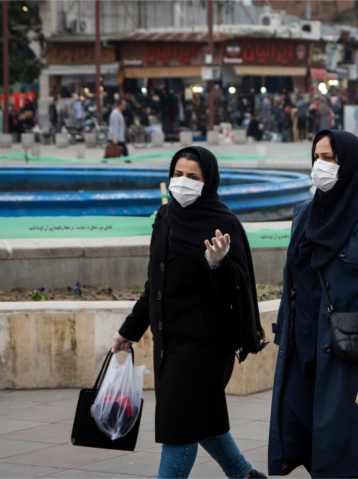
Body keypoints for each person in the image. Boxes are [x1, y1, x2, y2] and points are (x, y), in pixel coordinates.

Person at [111, 146, 268, 479]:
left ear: (208, 181)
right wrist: (129, 331)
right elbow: (155, 285)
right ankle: (244, 475)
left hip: (205, 346)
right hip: (170, 342)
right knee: (203, 420)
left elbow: (236, 291)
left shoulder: (223, 224)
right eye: (178, 174)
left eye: (193, 177)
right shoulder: (165, 217)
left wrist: (218, 264)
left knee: (179, 431)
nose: (182, 182)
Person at [267, 129, 358, 478]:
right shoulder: (304, 214)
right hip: (303, 351)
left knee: (353, 450)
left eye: (329, 158)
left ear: (350, 162)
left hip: (351, 348)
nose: (320, 165)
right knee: (312, 443)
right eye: (316, 157)